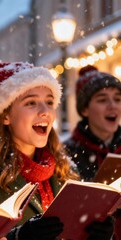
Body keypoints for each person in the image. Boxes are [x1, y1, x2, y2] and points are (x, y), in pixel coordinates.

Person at [0, 55, 114, 240]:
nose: (45, 111)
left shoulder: (66, 169)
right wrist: (20, 237)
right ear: (5, 115)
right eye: (31, 103)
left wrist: (96, 235)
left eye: (49, 102)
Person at [64, 65, 121, 239]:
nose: (112, 106)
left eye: (118, 99)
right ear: (85, 109)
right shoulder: (65, 154)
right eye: (102, 100)